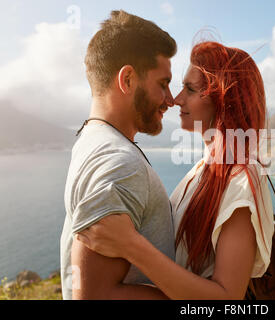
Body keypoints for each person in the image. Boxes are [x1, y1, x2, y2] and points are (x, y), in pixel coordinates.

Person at [76, 41, 275, 299]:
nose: (176, 99)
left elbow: (227, 299)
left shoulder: (242, 181)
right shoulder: (203, 170)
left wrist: (130, 245)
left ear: (224, 101)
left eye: (190, 89)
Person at [60, 10, 178, 299]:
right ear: (127, 79)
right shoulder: (119, 162)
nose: (171, 100)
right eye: (163, 84)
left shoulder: (91, 140)